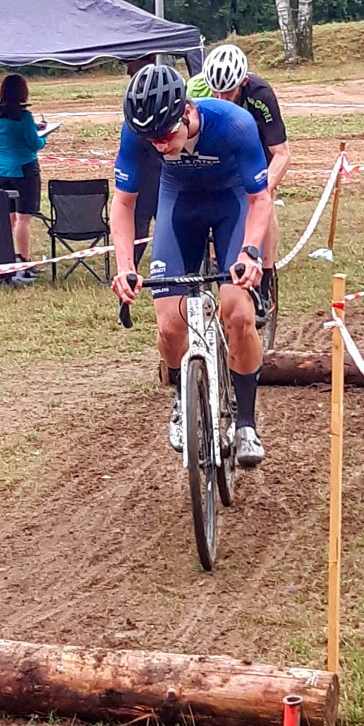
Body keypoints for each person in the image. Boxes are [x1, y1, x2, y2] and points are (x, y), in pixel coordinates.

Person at [111, 64, 272, 467]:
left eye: (166, 136)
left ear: (186, 112)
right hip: (179, 204)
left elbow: (260, 199)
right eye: (151, 140)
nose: (160, 146)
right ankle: (183, 397)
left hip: (232, 203)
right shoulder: (138, 132)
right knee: (169, 325)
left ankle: (246, 423)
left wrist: (251, 253)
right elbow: (124, 203)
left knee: (238, 313)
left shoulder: (234, 123)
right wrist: (125, 266)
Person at [197, 43, 291, 304]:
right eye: (215, 91)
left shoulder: (260, 95)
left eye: (228, 92)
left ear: (243, 82)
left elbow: (282, 153)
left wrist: (263, 191)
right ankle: (216, 262)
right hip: (222, 152)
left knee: (264, 204)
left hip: (257, 153)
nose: (221, 98)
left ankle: (266, 280)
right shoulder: (198, 92)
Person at [0, 73, 46, 276]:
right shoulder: (24, 116)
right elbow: (34, 143)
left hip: (2, 170)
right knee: (23, 218)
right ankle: (24, 260)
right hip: (24, 170)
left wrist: (33, 128)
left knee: (10, 217)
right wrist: (43, 136)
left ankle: (6, 256)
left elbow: (10, 132)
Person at [124, 57, 162, 269]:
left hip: (153, 176)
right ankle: (131, 265)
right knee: (140, 224)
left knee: (144, 222)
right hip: (145, 173)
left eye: (132, 75)